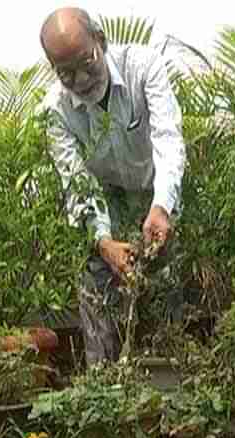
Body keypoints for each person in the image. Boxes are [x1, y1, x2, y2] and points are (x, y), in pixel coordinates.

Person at [38, 7, 186, 364]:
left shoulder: (144, 67)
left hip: (156, 191)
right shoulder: (55, 110)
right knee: (95, 283)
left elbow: (168, 139)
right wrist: (103, 241)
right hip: (106, 199)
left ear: (100, 41)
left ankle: (170, 375)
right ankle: (102, 385)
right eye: (65, 73)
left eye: (86, 62)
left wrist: (161, 207)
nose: (80, 79)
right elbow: (76, 181)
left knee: (166, 280)